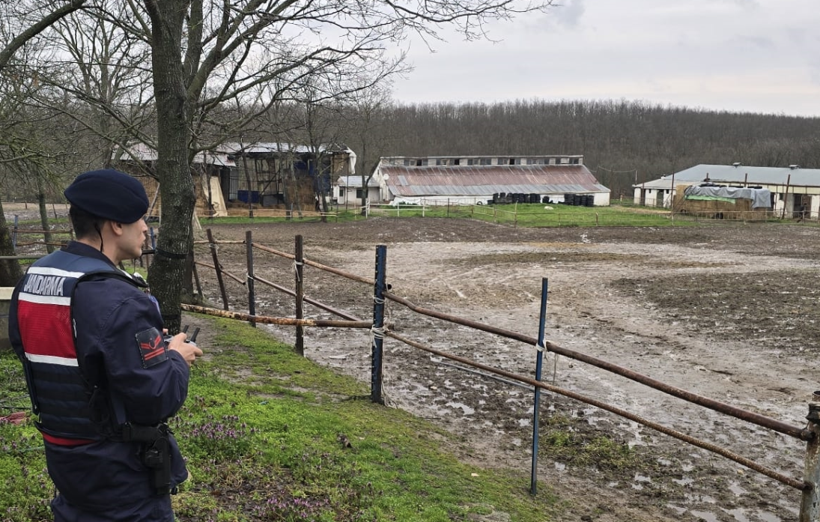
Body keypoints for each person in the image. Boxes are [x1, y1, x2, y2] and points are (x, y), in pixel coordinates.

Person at [8, 169, 202, 521]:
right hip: (121, 477)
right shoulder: (120, 299)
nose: (145, 228)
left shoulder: (34, 278)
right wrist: (176, 357)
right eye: (139, 218)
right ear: (115, 224)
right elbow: (156, 398)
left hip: (66, 464)